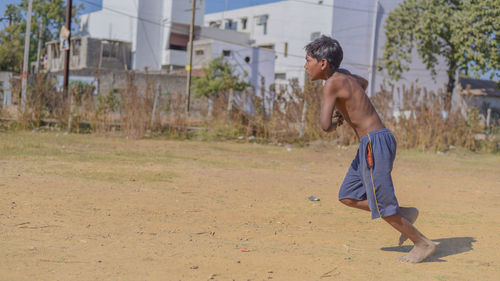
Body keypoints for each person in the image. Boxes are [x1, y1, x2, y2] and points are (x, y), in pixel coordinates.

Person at [304, 35, 435, 263]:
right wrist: (346, 108)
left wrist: (337, 119)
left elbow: (325, 126)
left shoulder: (331, 83)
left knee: (383, 204)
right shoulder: (344, 74)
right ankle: (405, 214)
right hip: (373, 143)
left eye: (308, 60)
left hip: (374, 143)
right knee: (348, 195)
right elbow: (362, 83)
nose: (305, 66)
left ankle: (422, 243)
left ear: (322, 63)